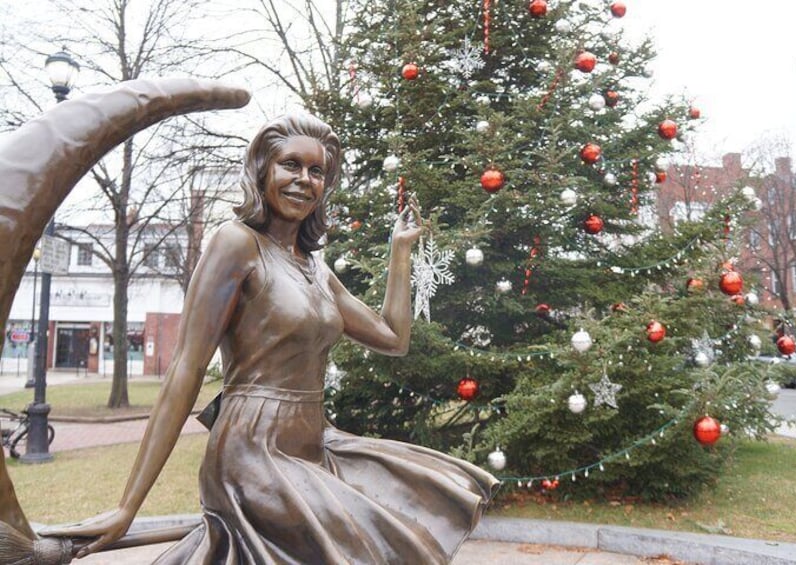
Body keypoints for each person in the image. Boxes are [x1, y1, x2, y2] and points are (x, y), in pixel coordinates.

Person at [46, 112, 497, 563]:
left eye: (316, 171)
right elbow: (186, 366)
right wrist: (128, 506)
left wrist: (400, 251)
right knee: (359, 540)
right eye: (290, 165)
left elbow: (393, 337)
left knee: (418, 499)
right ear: (262, 171)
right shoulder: (236, 243)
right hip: (253, 454)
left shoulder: (316, 269)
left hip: (316, 445)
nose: (304, 180)